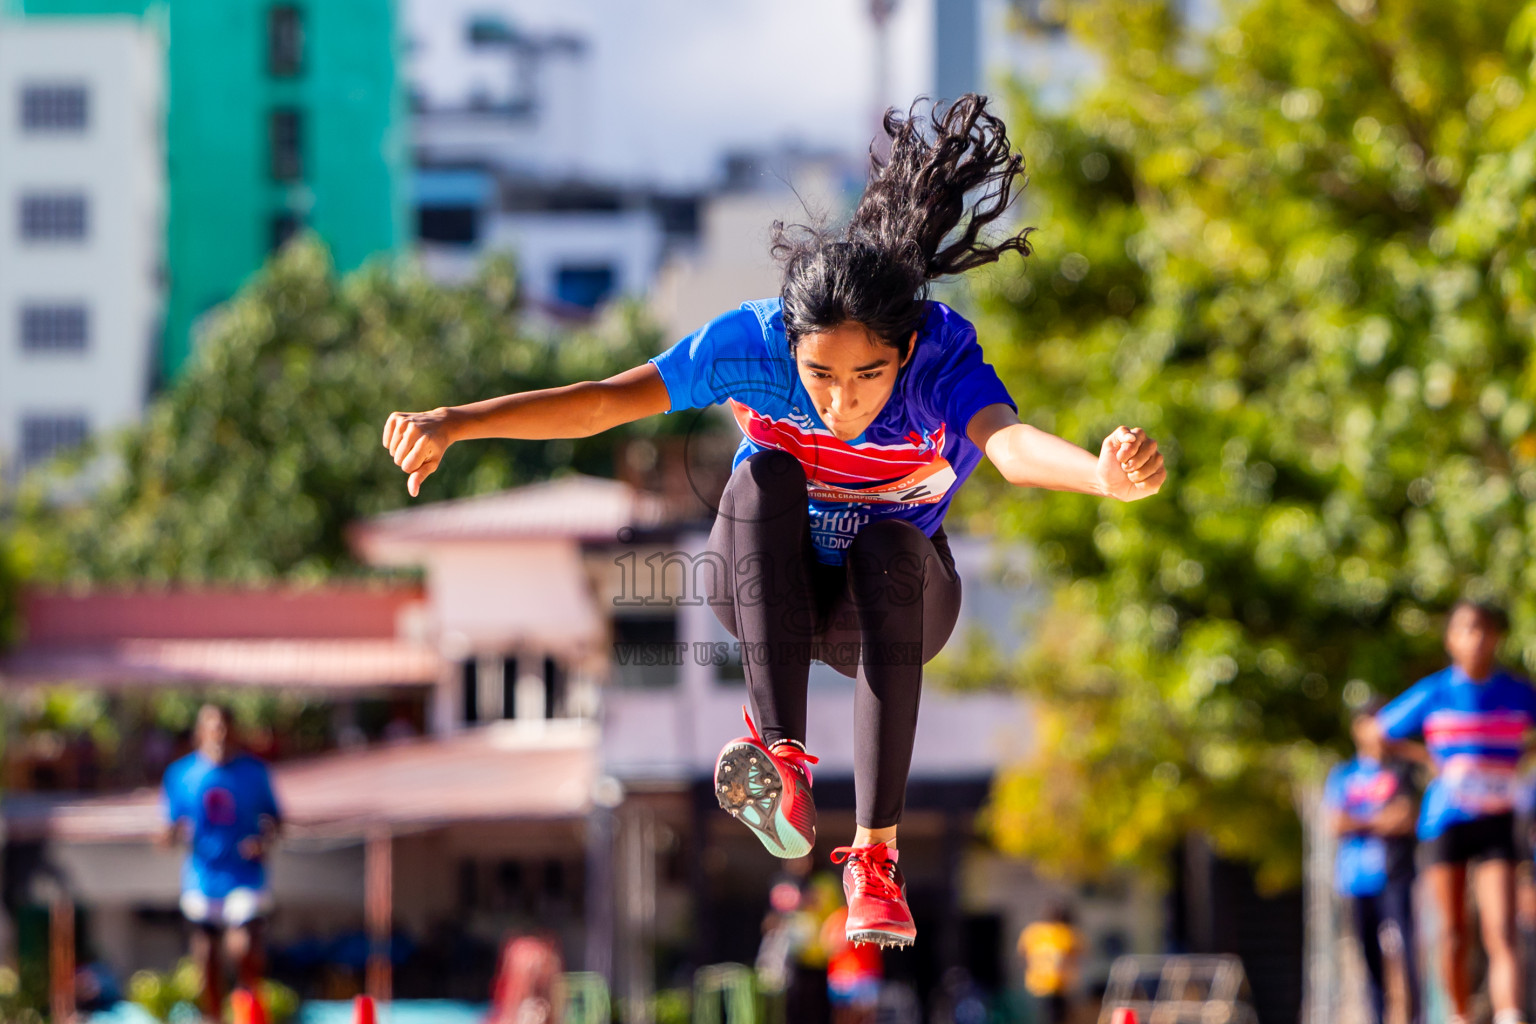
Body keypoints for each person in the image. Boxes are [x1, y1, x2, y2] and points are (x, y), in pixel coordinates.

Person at [381, 93, 1167, 949]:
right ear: (789, 347)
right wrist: (458, 421)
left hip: (890, 613)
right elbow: (606, 402)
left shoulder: (941, 356)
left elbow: (1007, 446)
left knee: (892, 546)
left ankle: (875, 859)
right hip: (768, 590)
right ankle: (782, 760)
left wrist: (1101, 475)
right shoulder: (748, 345)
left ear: (901, 352)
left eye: (866, 375)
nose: (842, 402)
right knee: (763, 479)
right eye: (820, 376)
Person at [1378, 600, 1536, 1024]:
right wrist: (1429, 758)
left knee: (1501, 926)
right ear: (1451, 639)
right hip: (1446, 820)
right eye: (1467, 629)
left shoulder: (1519, 692)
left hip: (1497, 819)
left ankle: (1510, 1013)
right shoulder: (1436, 691)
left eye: (1485, 629)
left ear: (1497, 637)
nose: (1478, 638)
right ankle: (1460, 1015)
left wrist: (1521, 756)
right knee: (1451, 934)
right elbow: (1381, 731)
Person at [161, 704, 282, 1020]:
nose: (221, 734)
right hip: (204, 875)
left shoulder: (254, 773)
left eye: (226, 727)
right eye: (214, 727)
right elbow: (173, 822)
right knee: (207, 955)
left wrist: (262, 841)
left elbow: (276, 820)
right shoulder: (181, 774)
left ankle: (249, 1006)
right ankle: (212, 1017)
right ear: (201, 732)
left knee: (242, 948)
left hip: (244, 874)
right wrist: (169, 836)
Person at [1325, 698, 1421, 1024]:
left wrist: (1361, 821)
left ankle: (1414, 1017)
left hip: (1396, 876)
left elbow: (1406, 818)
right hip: (1355, 879)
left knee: (1407, 954)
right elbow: (1335, 823)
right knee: (1369, 960)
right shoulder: (1344, 774)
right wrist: (1381, 820)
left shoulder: (1402, 770)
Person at [1019, 903, 1081, 1024]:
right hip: (1042, 984)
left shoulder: (1062, 933)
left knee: (1054, 1017)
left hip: (1056, 985)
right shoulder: (1036, 932)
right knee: (1045, 1017)